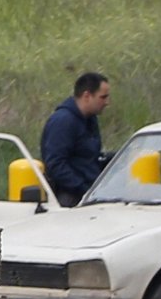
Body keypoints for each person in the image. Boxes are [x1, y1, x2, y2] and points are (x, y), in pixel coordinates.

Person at [40, 71, 111, 206]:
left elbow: (88, 157)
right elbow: (55, 164)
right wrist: (83, 190)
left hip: (92, 190)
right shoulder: (63, 121)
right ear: (87, 96)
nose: (107, 102)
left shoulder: (90, 119)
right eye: (103, 97)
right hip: (70, 196)